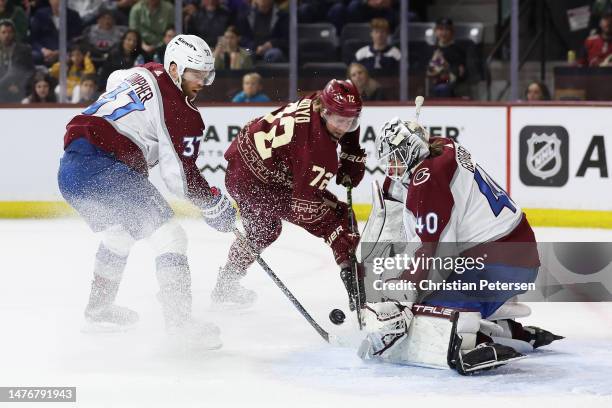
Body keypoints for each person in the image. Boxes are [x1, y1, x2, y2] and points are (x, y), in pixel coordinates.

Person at [56, 34, 236, 349]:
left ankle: (98, 312)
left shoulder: (147, 70)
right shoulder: (182, 112)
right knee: (171, 237)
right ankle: (180, 326)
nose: (202, 82)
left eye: (207, 74)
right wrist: (213, 204)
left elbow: (116, 78)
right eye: (196, 73)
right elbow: (178, 178)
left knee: (120, 234)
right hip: (102, 167)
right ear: (176, 69)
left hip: (71, 168)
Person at [358, 103, 562, 374]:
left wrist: (402, 291)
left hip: (500, 262)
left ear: (410, 151)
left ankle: (474, 341)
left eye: (395, 159)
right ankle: (509, 331)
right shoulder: (444, 146)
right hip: (514, 253)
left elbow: (436, 256)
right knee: (427, 292)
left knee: (423, 306)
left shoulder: (428, 183)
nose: (392, 168)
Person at [215, 79, 367, 308]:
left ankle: (226, 284)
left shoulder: (317, 100)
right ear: (325, 112)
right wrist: (344, 253)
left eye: (351, 121)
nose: (345, 127)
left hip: (243, 166)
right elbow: (305, 209)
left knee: (264, 231)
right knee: (339, 215)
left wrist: (351, 152)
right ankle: (354, 281)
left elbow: (345, 116)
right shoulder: (319, 152)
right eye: (339, 121)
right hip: (256, 184)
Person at [29, 0, 83, 66]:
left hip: (65, 51)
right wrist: (43, 50)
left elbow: (76, 39)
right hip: (44, 52)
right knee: (34, 56)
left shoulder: (74, 16)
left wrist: (58, 52)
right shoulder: (40, 14)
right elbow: (33, 39)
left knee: (73, 57)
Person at [425, 18, 466, 97]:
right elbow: (426, 71)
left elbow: (458, 75)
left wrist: (445, 65)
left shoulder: (457, 50)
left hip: (448, 85)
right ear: (435, 31)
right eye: (440, 29)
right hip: (430, 84)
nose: (443, 33)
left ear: (452, 32)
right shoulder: (430, 49)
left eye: (447, 29)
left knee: (442, 89)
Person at [0, 19, 33, 103]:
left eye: (9, 32)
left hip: (18, 89)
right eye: (3, 32)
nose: (7, 35)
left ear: (14, 34)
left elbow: (30, 72)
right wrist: (6, 86)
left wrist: (19, 86)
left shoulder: (24, 50)